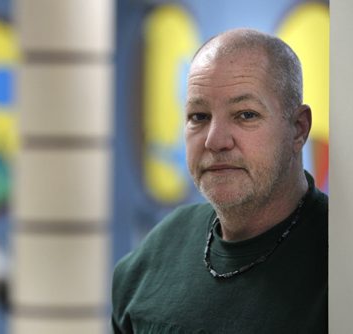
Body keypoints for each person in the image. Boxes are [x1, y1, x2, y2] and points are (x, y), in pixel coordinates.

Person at [111, 28, 328, 333]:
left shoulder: (343, 261)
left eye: (245, 115)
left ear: (297, 129)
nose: (215, 141)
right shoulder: (154, 255)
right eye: (199, 117)